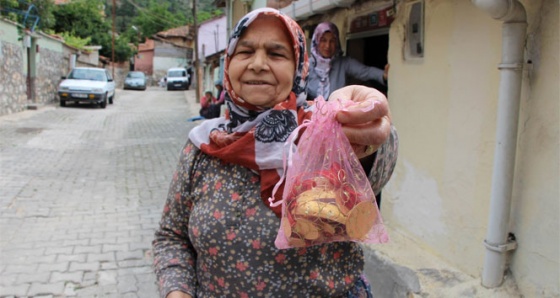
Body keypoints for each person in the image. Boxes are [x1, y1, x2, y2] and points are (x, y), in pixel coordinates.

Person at [152, 8, 398, 298]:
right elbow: (172, 237)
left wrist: (370, 130)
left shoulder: (321, 135)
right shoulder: (204, 145)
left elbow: (375, 166)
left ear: (298, 66)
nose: (258, 64)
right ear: (228, 63)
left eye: (276, 53)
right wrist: (177, 292)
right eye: (245, 52)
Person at [306, 21, 389, 100]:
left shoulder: (343, 63)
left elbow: (365, 71)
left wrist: (383, 75)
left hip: (337, 112)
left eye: (332, 41)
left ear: (337, 43)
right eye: (323, 40)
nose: (328, 46)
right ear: (316, 42)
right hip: (311, 112)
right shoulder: (307, 65)